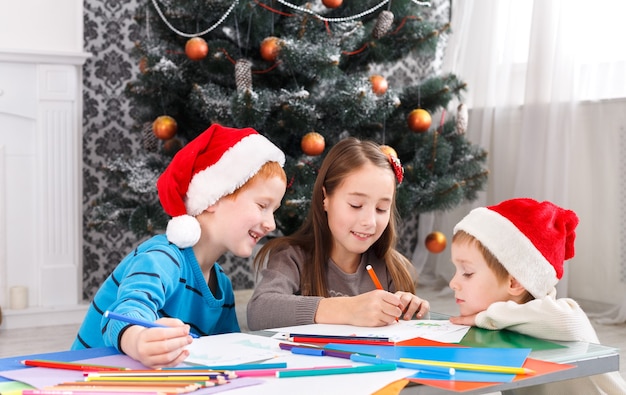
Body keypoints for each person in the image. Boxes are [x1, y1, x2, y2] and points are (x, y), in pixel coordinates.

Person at [72, 124, 286, 368]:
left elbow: (229, 351)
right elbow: (125, 313)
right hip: (91, 380)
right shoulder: (161, 258)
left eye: (274, 211)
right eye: (262, 206)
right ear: (214, 198)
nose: (271, 224)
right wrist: (139, 339)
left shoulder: (222, 286)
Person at [247, 137, 430, 331]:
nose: (369, 221)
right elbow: (259, 312)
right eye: (356, 205)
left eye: (382, 209)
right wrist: (348, 309)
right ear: (325, 198)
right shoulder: (292, 257)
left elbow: (405, 337)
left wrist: (415, 312)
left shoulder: (394, 269)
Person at [449, 198, 626, 394]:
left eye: (467, 272)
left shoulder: (555, 315)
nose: (452, 283)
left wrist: (486, 317)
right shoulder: (491, 328)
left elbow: (568, 319)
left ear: (515, 283)